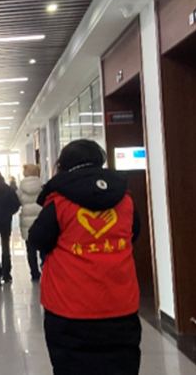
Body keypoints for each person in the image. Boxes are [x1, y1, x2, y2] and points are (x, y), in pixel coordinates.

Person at [29, 139, 141, 375]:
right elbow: (135, 233)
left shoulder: (59, 203)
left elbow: (38, 240)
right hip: (120, 308)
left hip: (69, 310)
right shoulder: (125, 200)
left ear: (63, 165)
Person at [17, 164, 44, 281]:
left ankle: (34, 273)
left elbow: (17, 202)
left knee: (30, 250)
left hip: (27, 222)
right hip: (41, 220)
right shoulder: (42, 186)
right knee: (44, 247)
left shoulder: (21, 189)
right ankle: (44, 267)